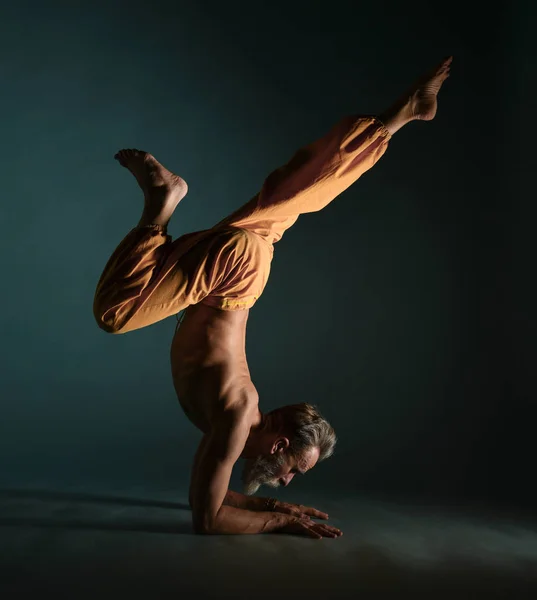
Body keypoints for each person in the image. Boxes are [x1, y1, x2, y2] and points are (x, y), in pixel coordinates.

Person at [93, 56, 452, 538]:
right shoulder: (238, 416)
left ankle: (404, 112)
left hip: (241, 270)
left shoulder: (237, 417)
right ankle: (160, 207)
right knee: (116, 314)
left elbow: (210, 496)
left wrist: (274, 502)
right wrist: (279, 522)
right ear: (280, 442)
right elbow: (207, 520)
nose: (285, 476)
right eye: (291, 470)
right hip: (234, 273)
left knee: (298, 190)